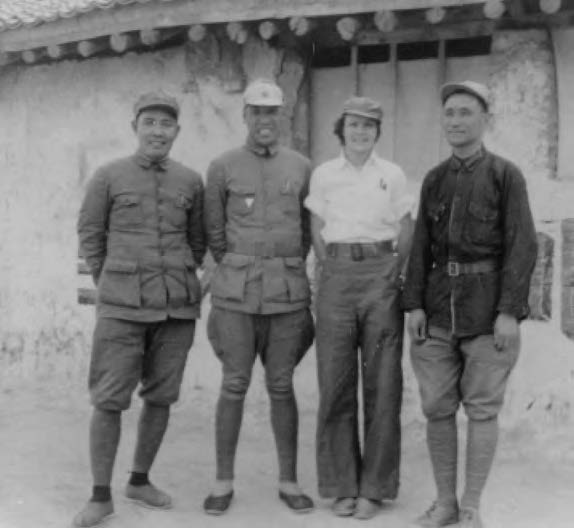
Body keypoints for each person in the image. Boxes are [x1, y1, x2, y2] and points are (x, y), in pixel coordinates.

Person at [403, 80, 538, 528]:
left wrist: (509, 312)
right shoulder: (435, 180)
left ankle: (471, 508)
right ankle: (444, 504)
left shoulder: (505, 175)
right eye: (449, 113)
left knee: (481, 409)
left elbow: (523, 246)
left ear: (485, 119)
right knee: (437, 407)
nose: (456, 121)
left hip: (487, 313)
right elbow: (420, 245)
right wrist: (415, 304)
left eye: (465, 112)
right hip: (438, 312)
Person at [74, 91, 205, 527]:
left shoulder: (190, 181)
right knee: (109, 400)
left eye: (165, 124)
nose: (157, 131)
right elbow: (91, 236)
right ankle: (99, 495)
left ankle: (140, 480)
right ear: (136, 127)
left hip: (176, 309)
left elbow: (198, 241)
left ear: (176, 132)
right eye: (149, 122)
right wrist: (113, 282)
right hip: (122, 309)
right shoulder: (109, 176)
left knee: (161, 397)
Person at [202, 78, 315, 515]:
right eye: (257, 112)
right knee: (234, 384)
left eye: (272, 112)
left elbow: (307, 232)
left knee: (282, 385)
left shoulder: (301, 166)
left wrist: (283, 264)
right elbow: (214, 233)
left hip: (286, 292)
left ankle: (288, 481)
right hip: (236, 291)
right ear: (245, 116)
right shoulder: (223, 166)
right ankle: (222, 482)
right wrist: (240, 265)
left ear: (281, 116)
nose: (265, 120)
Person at [305, 96, 413, 520]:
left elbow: (406, 226)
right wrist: (328, 268)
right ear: (341, 129)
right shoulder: (324, 174)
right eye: (353, 124)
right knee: (335, 379)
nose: (360, 132)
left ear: (377, 133)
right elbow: (316, 227)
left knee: (383, 382)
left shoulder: (393, 174)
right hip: (336, 276)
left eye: (368, 126)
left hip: (380, 275)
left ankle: (376, 487)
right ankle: (341, 484)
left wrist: (394, 271)